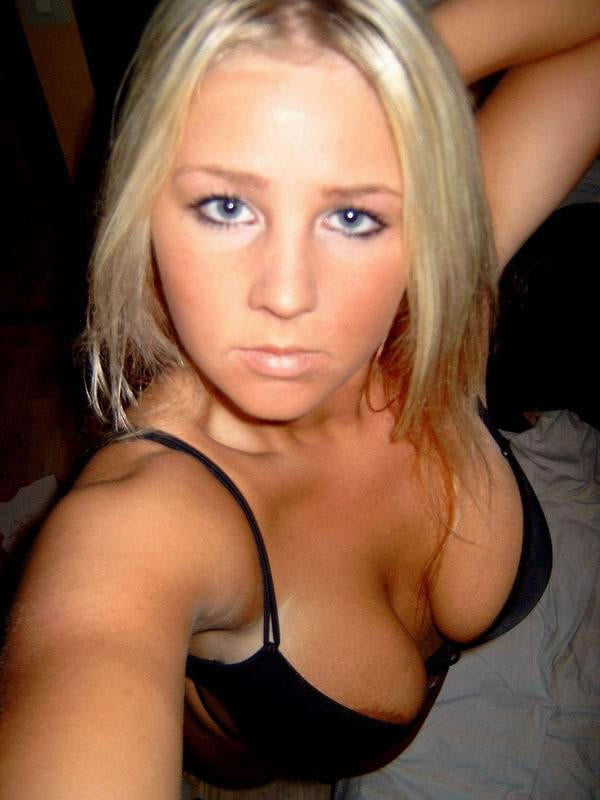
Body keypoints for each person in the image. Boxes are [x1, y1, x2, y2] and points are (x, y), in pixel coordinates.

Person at [0, 0, 598, 798]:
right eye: (227, 206)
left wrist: (374, 80)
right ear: (144, 208)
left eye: (351, 214)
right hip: (242, 750)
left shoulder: (425, 303)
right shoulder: (134, 530)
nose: (288, 295)